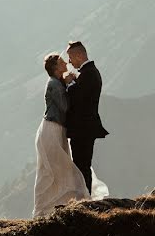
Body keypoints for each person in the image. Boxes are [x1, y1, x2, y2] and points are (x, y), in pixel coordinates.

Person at [32, 52, 107, 217]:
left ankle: (61, 204)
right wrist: (70, 84)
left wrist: (68, 83)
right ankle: (44, 209)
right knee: (51, 170)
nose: (66, 63)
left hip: (58, 130)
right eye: (62, 61)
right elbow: (65, 107)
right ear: (57, 67)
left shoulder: (57, 82)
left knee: (59, 169)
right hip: (51, 130)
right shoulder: (54, 84)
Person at [65, 40, 109, 194]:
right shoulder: (89, 73)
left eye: (70, 57)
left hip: (82, 129)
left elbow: (76, 97)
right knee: (82, 165)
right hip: (84, 128)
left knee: (81, 166)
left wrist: (68, 83)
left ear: (79, 55)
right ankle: (84, 196)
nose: (69, 62)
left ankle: (84, 197)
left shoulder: (88, 74)